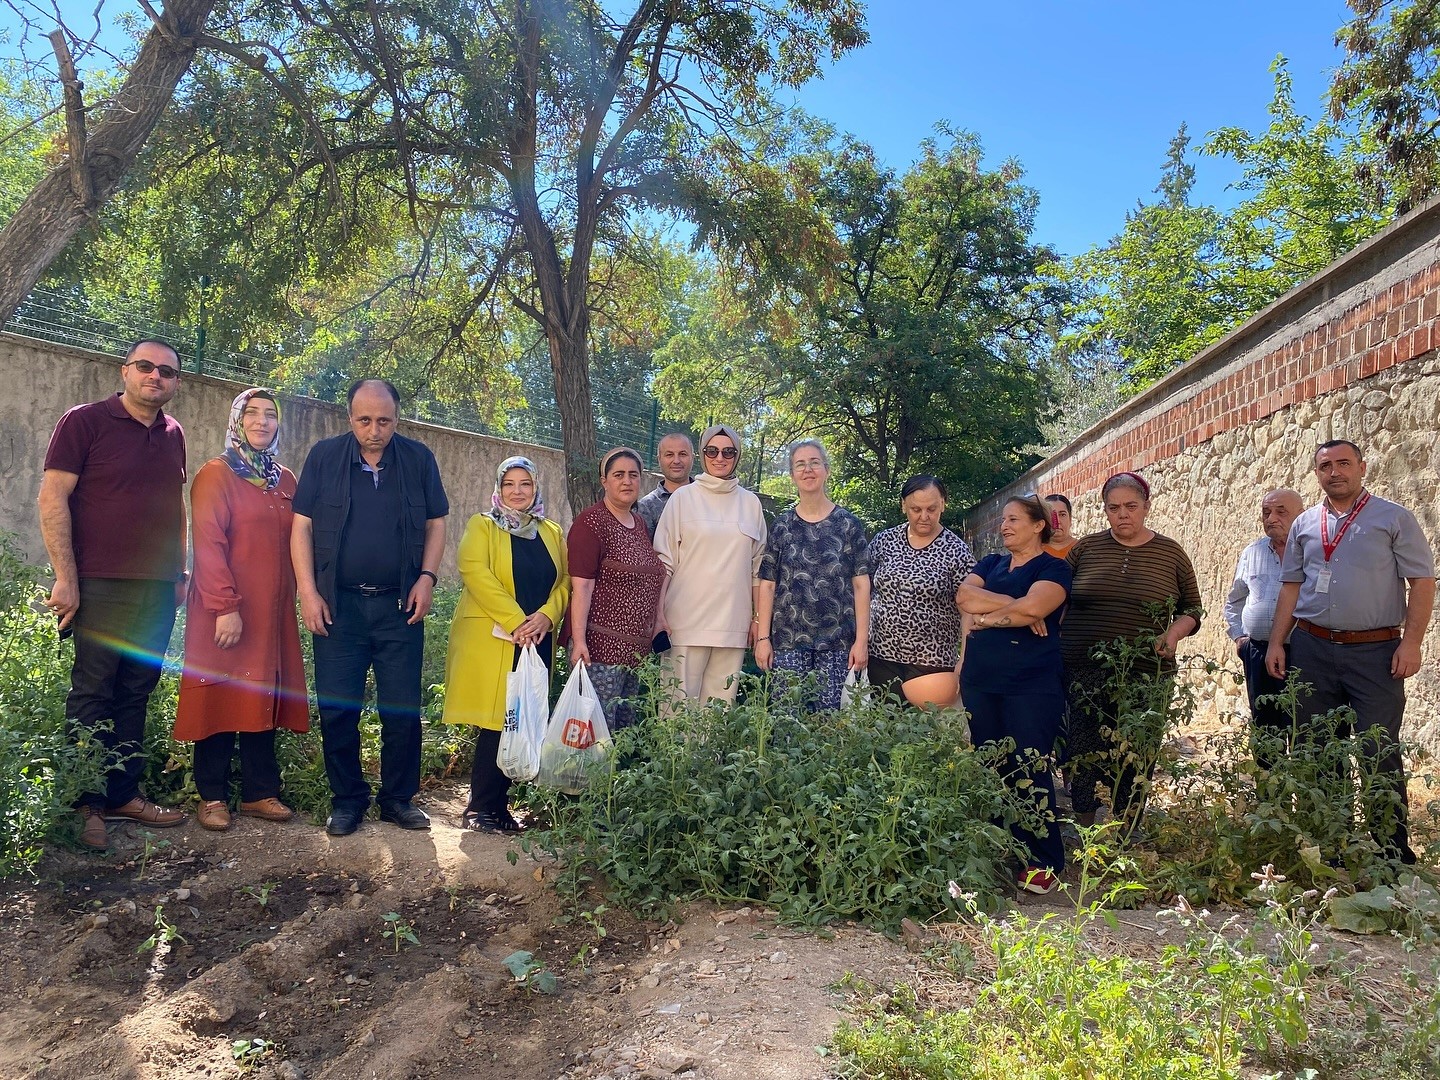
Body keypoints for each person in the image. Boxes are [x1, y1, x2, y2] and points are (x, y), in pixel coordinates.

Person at [39, 339, 189, 850]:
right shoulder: (84, 421)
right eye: (145, 367)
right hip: (99, 585)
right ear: (124, 371)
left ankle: (124, 793)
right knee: (92, 693)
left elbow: (174, 510)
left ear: (175, 383)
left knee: (136, 692)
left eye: (166, 372)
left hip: (156, 590)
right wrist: (67, 576)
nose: (155, 377)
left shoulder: (174, 434)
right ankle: (86, 804)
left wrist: (179, 573)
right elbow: (53, 496)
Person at [291, 378, 448, 837]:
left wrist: (427, 577)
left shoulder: (418, 459)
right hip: (338, 608)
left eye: (384, 420)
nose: (374, 429)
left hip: (399, 608)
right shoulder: (324, 456)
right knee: (338, 708)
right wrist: (307, 590)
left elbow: (436, 523)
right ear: (350, 418)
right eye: (365, 420)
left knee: (401, 708)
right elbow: (301, 526)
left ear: (397, 419)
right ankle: (347, 800)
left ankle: (398, 799)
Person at [1266, 440, 1435, 864]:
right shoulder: (1305, 522)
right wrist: (1276, 641)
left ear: (1362, 467)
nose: (1335, 471)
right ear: (1316, 473)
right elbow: (1291, 586)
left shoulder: (1393, 518)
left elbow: (1422, 582)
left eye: (1343, 463)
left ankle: (1391, 852)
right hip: (1312, 647)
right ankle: (1328, 844)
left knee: (1377, 749)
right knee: (1318, 747)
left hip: (1375, 652)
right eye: (1325, 465)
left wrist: (1411, 642)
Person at [174, 389, 309, 831]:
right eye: (251, 413)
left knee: (261, 693)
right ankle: (212, 796)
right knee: (218, 693)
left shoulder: (284, 480)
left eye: (271, 415)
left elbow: (302, 540)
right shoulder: (216, 475)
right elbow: (208, 544)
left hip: (271, 614)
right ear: (237, 421)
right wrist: (224, 606)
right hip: (225, 609)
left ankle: (258, 792)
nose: (262, 421)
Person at [1062, 471, 1202, 831]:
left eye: (1130, 506)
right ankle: (1086, 830)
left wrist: (1172, 634)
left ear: (1146, 507)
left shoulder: (1170, 553)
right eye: (1114, 507)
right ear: (1105, 511)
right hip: (1081, 671)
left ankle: (1127, 829)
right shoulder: (1085, 550)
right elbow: (1054, 596)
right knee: (1082, 749)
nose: (1122, 514)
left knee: (1136, 751)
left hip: (1145, 673)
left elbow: (1193, 608)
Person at [442, 457, 570, 832]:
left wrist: (546, 615)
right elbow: (474, 572)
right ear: (499, 488)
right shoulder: (482, 525)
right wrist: (517, 622)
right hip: (496, 638)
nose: (517, 491)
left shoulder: (551, 531)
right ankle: (480, 807)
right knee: (497, 720)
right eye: (510, 484)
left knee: (522, 719)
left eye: (525, 484)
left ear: (535, 488)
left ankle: (500, 808)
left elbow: (565, 582)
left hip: (536, 640)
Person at [957, 494, 1072, 894]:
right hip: (981, 683)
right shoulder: (990, 564)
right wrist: (1016, 607)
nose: (1003, 526)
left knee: (1029, 765)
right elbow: (964, 598)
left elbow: (1035, 608)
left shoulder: (1054, 567)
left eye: (1013, 520)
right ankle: (1003, 850)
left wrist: (988, 620)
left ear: (1039, 525)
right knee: (992, 765)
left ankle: (1044, 860)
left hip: (1031, 686)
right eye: (1002, 520)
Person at [653, 424, 766, 704]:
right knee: (676, 713)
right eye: (712, 450)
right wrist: (659, 617)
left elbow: (758, 571)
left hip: (732, 626)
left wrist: (758, 620)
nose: (720, 457)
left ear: (737, 456)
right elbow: (663, 562)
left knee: (717, 718)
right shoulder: (682, 498)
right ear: (702, 454)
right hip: (684, 625)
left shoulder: (751, 504)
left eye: (728, 451)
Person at [754, 439, 870, 710]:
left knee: (832, 729)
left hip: (838, 642)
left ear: (826, 470)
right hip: (788, 641)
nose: (808, 469)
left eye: (814, 462)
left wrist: (862, 641)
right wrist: (762, 638)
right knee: (787, 725)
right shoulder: (782, 526)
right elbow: (767, 585)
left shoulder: (848, 525)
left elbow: (861, 585)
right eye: (800, 464)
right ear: (792, 475)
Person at [567, 448, 666, 731]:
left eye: (633, 475)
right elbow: (582, 586)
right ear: (604, 481)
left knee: (620, 738)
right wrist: (579, 640)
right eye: (618, 475)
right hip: (600, 652)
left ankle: (610, 779)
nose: (627, 481)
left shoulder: (639, 525)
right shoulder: (591, 523)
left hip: (633, 655)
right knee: (593, 736)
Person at [866, 475, 975, 707]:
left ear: (943, 504)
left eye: (931, 509)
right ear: (903, 505)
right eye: (916, 509)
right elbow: (862, 590)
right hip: (881, 656)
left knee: (929, 736)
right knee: (884, 730)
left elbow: (970, 609)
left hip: (932, 662)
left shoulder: (957, 551)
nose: (924, 517)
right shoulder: (884, 541)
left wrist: (964, 658)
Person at [1223, 488, 1304, 770]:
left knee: (1303, 727)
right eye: (1266, 512)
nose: (1272, 518)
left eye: (1281, 511)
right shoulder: (1252, 552)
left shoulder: (1313, 551)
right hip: (1257, 652)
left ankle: (1307, 802)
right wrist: (1240, 638)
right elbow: (1234, 600)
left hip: (1303, 653)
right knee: (1265, 726)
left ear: (1300, 516)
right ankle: (1271, 801)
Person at [634, 433, 694, 538]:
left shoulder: (707, 497)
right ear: (659, 459)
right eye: (669, 455)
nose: (676, 461)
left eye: (682, 454)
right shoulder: (646, 507)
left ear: (692, 458)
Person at [1043, 493, 1075, 558]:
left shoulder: (1081, 548)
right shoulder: (1034, 551)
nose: (1058, 521)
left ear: (1070, 519)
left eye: (1062, 515)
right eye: (1051, 515)